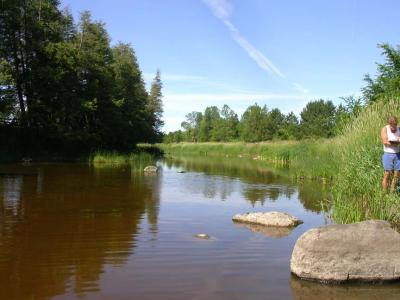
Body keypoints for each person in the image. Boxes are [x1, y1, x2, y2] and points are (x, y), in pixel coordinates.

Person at [381, 116, 400, 191]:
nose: (393, 127)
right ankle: (384, 193)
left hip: (398, 154)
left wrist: (396, 141)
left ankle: (392, 192)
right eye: (391, 125)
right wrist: (396, 143)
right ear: (389, 124)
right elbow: (385, 142)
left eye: (394, 125)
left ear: (396, 124)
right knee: (387, 173)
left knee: (396, 174)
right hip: (388, 154)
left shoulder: (399, 129)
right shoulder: (385, 129)